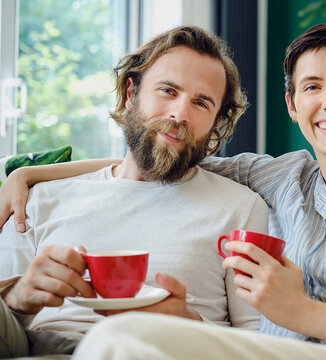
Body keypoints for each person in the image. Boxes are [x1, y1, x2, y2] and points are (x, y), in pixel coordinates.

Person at [0, 23, 326, 359]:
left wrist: (304, 313)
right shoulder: (280, 179)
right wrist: (27, 175)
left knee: (124, 339)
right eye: (311, 87)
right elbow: (162, 150)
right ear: (290, 104)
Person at [0, 25, 268, 358]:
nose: (179, 114)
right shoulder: (37, 199)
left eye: (201, 103)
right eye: (168, 91)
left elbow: (261, 344)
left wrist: (190, 326)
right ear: (131, 93)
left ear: (216, 122)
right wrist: (19, 298)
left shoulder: (242, 209)